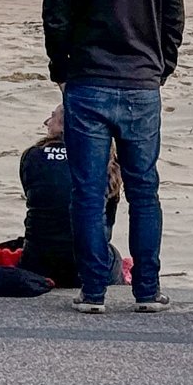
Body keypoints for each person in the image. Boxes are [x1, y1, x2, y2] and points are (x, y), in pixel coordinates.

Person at [42, 0, 185, 315]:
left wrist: (62, 70)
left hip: (90, 82)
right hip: (139, 81)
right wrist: (161, 66)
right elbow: (173, 17)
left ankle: (93, 290)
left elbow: (55, 19)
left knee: (87, 189)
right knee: (143, 187)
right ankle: (146, 288)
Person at [17, 105, 123, 289]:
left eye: (52, 118)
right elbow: (108, 220)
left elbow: (39, 198)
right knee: (111, 254)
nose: (47, 123)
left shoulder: (32, 156)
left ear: (65, 125)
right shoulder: (105, 159)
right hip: (87, 266)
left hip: (38, 264)